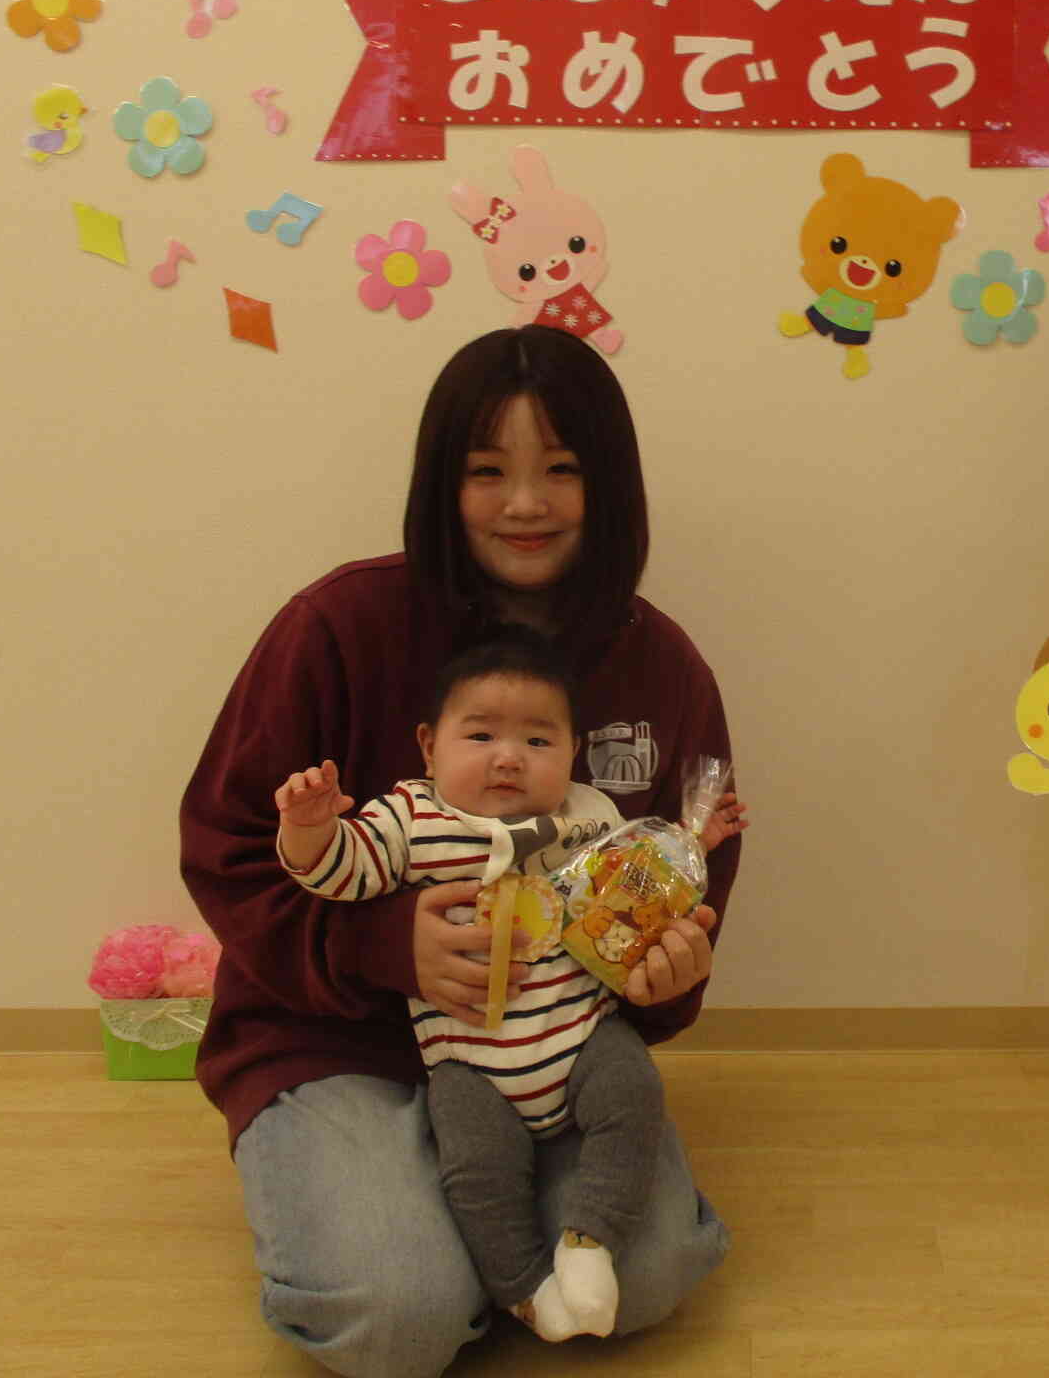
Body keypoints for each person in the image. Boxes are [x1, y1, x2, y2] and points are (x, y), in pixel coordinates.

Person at [180, 325, 744, 1377]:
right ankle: (426, 1238)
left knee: (649, 1275)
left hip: (551, 1049)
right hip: (334, 1041)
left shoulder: (661, 667)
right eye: (487, 471)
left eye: (561, 470)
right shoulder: (337, 626)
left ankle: (474, 1236)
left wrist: (665, 975)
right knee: (399, 1316)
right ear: (442, 483)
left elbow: (687, 881)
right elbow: (227, 847)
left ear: (611, 486)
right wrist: (376, 944)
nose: (524, 504)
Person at [272, 626, 744, 1343]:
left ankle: (590, 1240)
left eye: (538, 740)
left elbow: (635, 878)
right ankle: (523, 1287)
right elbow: (339, 874)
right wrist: (308, 830)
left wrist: (689, 843)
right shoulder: (411, 818)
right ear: (429, 747)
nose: (508, 757)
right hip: (469, 1063)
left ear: (573, 753)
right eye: (480, 735)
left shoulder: (586, 817)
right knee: (477, 1170)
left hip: (583, 1038)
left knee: (635, 1095)